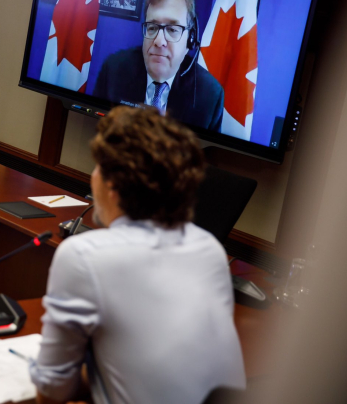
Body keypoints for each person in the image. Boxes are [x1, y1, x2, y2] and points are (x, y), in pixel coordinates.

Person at [29, 106, 244, 404]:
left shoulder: (84, 256)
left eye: (98, 167)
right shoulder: (209, 249)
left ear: (113, 185)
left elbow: (53, 391)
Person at [92, 0, 224, 132]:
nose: (159, 41)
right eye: (152, 28)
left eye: (172, 29)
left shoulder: (210, 94)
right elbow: (100, 130)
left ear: (190, 40)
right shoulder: (113, 70)